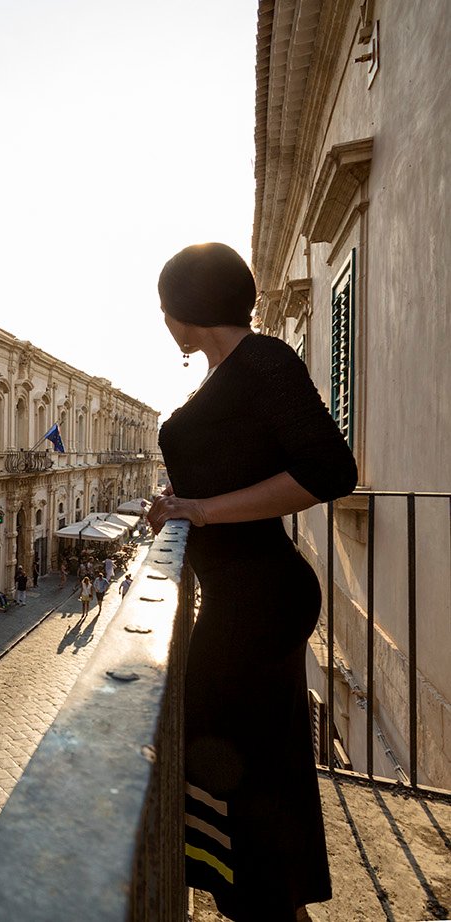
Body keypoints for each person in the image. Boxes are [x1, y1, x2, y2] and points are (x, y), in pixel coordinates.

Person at [147, 242, 356, 921]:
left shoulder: (264, 360)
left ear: (181, 314)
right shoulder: (229, 375)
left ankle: (264, 901)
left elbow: (330, 471)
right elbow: (237, 463)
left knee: (235, 757)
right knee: (259, 761)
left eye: (164, 309)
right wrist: (180, 501)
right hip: (245, 597)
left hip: (258, 598)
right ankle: (272, 901)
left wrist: (201, 510)